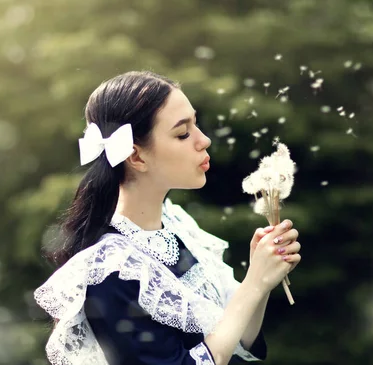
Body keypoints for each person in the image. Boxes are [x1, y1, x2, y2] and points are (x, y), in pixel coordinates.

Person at [34, 71, 301, 365]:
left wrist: (261, 278)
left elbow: (239, 341)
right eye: (182, 133)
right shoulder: (111, 269)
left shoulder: (178, 226)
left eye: (195, 125)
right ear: (136, 157)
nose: (204, 140)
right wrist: (253, 283)